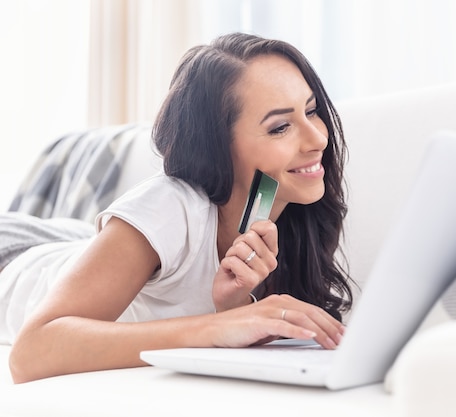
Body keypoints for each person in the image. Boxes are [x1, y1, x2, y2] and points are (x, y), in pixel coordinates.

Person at [3, 32, 353, 383]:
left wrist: (233, 307)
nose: (318, 139)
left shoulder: (295, 218)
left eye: (311, 111)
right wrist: (219, 326)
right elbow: (31, 352)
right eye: (280, 127)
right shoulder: (169, 207)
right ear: (217, 146)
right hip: (15, 256)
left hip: (73, 245)